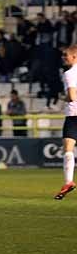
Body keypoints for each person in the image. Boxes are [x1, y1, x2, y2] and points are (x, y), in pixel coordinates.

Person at [55, 45, 77, 199]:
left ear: (74, 56)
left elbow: (72, 96)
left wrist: (64, 98)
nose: (63, 58)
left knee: (68, 149)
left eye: (65, 55)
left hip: (73, 116)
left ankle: (68, 181)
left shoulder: (69, 73)